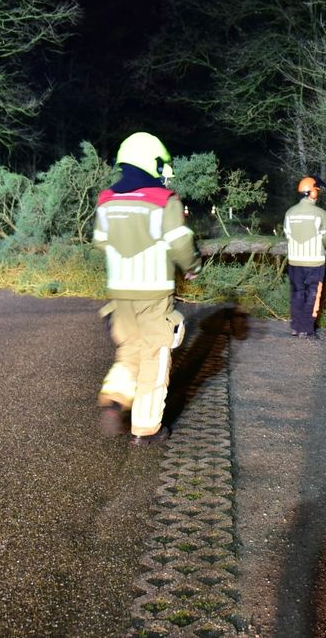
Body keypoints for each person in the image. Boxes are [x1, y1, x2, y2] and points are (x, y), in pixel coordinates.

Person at [93, 132, 200, 446]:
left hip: (120, 291)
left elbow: (101, 242)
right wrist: (192, 267)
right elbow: (180, 243)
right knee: (154, 356)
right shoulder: (164, 200)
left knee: (129, 350)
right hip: (153, 291)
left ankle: (115, 395)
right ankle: (146, 429)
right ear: (152, 162)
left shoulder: (106, 200)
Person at [284, 176, 326, 338]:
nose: (317, 194)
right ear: (311, 193)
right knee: (313, 294)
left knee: (297, 293)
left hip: (295, 261)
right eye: (316, 191)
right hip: (315, 261)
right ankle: (306, 328)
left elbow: (288, 236)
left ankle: (295, 327)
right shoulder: (320, 214)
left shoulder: (289, 213)